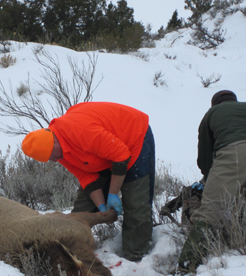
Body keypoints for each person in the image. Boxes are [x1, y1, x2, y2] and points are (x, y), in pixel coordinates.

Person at [21, 102, 155, 262]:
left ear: (54, 143)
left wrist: (112, 194)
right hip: (104, 153)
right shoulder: (60, 152)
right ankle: (71, 256)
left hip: (133, 138)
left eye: (51, 156)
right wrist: (101, 207)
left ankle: (137, 259)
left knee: (135, 205)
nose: (55, 161)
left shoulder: (80, 131)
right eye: (49, 159)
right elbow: (87, 177)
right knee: (81, 210)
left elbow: (121, 156)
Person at [179, 90, 246, 271]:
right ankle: (243, 248)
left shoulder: (212, 114)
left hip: (237, 151)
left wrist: (208, 177)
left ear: (214, 104)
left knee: (210, 210)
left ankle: (188, 264)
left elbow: (205, 153)